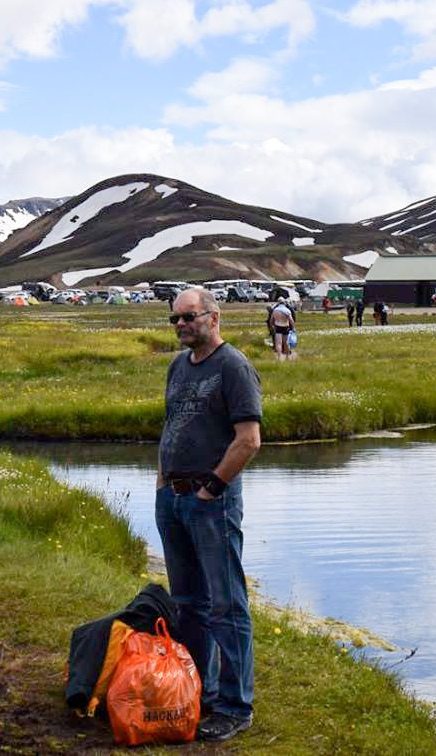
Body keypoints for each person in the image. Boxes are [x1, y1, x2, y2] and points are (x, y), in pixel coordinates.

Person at [156, 286, 261, 742]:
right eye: (175, 319)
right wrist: (163, 485)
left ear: (213, 318)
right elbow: (172, 426)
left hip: (210, 502)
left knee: (226, 606)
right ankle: (201, 692)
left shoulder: (234, 367)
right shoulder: (178, 366)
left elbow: (249, 440)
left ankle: (235, 707)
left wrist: (210, 489)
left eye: (189, 317)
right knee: (189, 606)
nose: (181, 325)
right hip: (172, 499)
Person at [266, 294, 295, 361]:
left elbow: (271, 320)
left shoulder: (275, 310)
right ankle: (287, 357)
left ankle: (279, 357)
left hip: (278, 327)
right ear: (284, 302)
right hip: (286, 327)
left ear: (278, 302)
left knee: (278, 343)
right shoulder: (287, 310)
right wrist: (293, 328)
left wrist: (272, 326)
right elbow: (291, 320)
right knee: (286, 343)